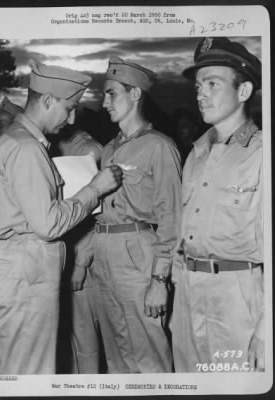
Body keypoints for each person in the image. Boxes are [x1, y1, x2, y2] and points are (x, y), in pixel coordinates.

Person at [0, 59, 123, 375]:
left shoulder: (18, 139)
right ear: (48, 100)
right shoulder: (26, 148)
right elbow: (48, 224)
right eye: (69, 108)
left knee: (17, 368)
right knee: (30, 372)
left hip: (21, 267)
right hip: (28, 270)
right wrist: (95, 188)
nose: (72, 117)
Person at [171, 37, 264, 372]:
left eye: (212, 83)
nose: (200, 94)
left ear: (243, 91)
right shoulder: (196, 154)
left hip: (236, 300)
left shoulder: (261, 154)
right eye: (198, 85)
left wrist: (266, 333)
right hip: (188, 295)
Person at [90, 56, 182, 373]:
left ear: (135, 94)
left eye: (111, 93)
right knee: (116, 358)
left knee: (148, 355)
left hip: (137, 256)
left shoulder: (159, 146)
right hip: (103, 256)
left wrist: (160, 279)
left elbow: (172, 219)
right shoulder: (108, 149)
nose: (104, 103)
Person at [54, 126, 104, 374]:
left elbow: (96, 215)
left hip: (79, 263)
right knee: (69, 341)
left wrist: (82, 261)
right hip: (63, 259)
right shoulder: (52, 145)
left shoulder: (87, 149)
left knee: (85, 341)